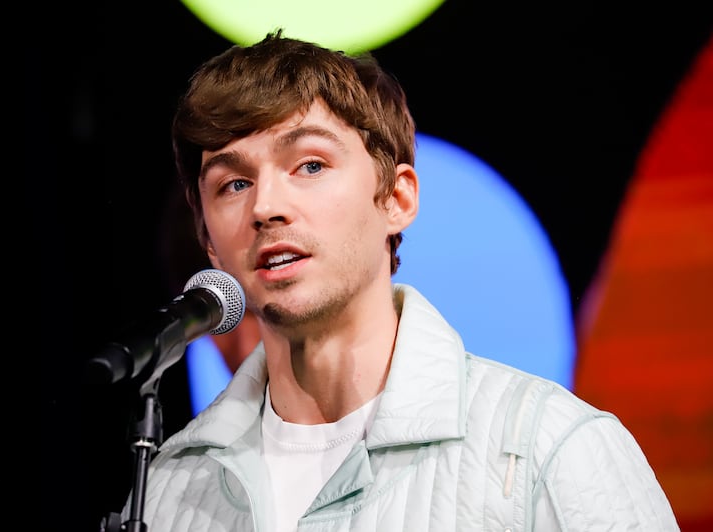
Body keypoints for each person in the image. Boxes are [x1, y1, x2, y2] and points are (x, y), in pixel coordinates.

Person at [123, 30, 679, 531]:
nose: (266, 206)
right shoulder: (166, 492)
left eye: (310, 165)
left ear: (397, 198)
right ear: (208, 239)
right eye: (234, 184)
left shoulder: (545, 450)